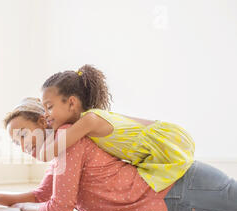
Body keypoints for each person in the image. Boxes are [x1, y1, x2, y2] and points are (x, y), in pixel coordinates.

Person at [0, 99, 237, 211]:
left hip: (177, 191)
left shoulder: (67, 140)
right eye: (17, 144)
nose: (24, 146)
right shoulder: (63, 147)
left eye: (23, 135)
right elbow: (43, 194)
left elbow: (60, 210)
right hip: (171, 193)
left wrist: (21, 208)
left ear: (42, 122)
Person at [38, 64, 195, 192]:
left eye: (49, 107)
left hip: (166, 140)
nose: (45, 115)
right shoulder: (88, 120)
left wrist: (47, 129)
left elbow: (45, 154)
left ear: (72, 103)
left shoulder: (89, 121)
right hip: (157, 142)